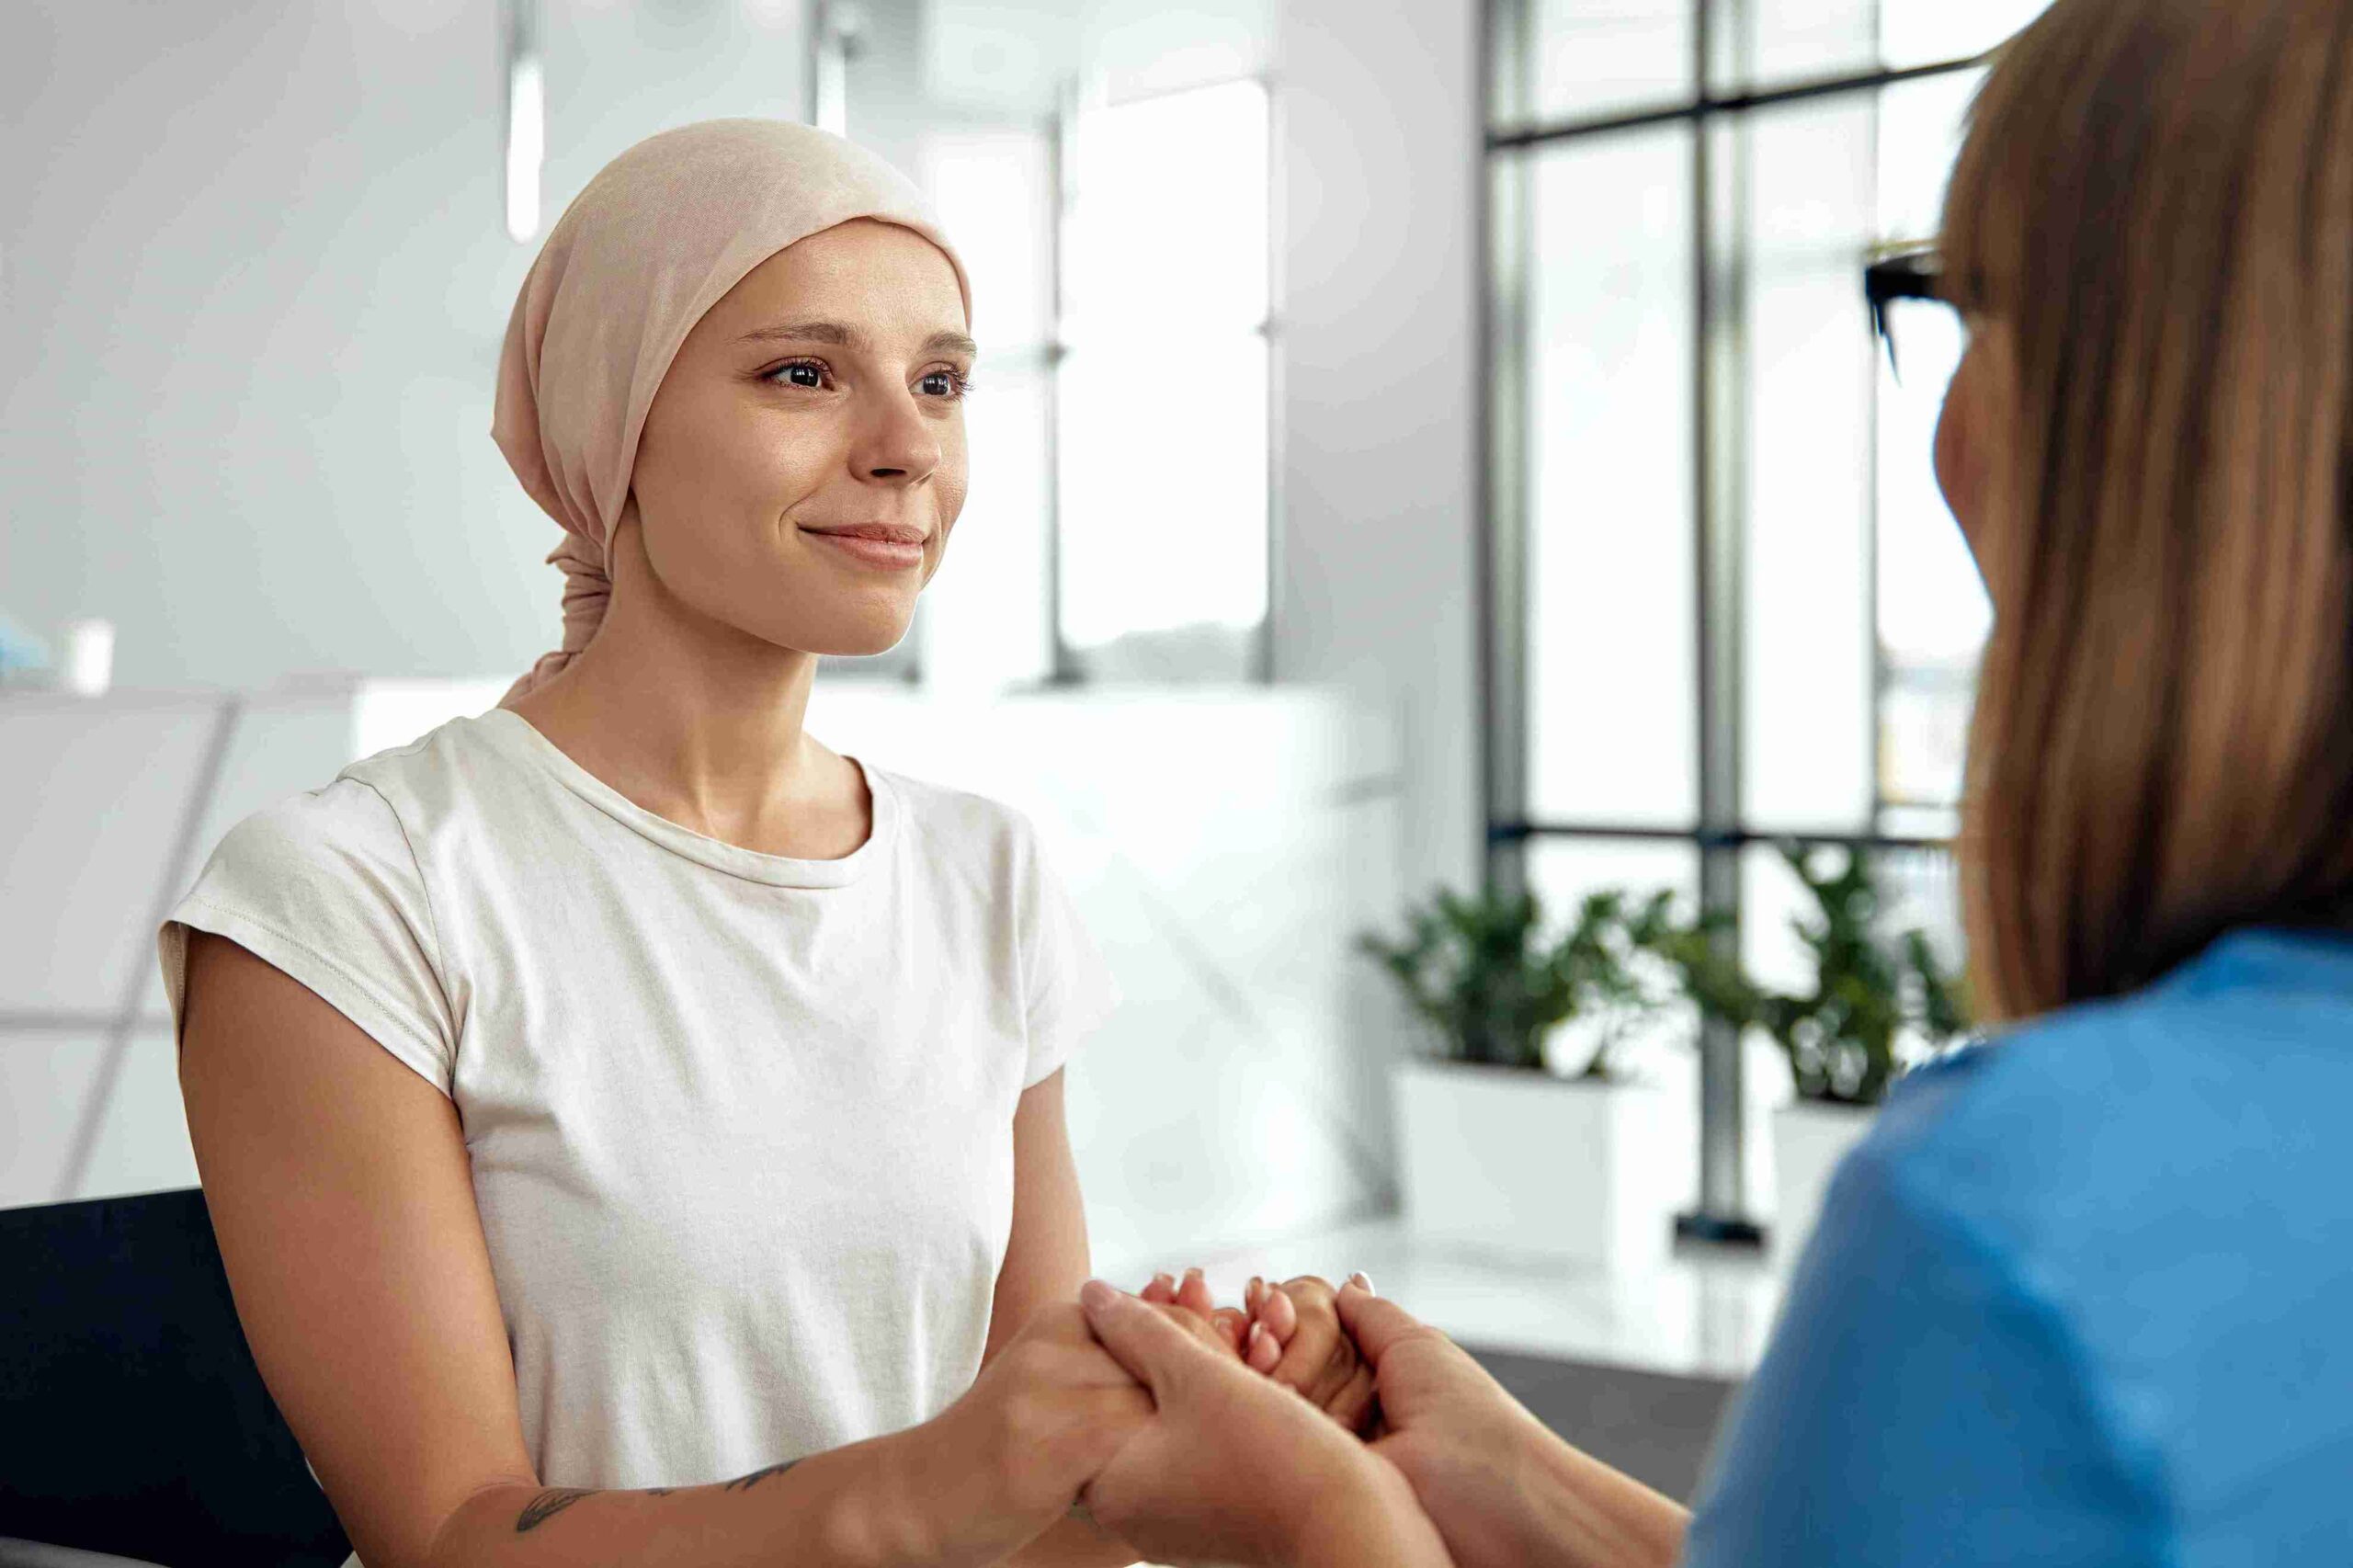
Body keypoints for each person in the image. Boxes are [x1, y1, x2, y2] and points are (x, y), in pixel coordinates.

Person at [1067, 0, 2353, 1562]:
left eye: (1961, 308)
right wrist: (1528, 1489)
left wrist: (1331, 1533)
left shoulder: (2026, 1226)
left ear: (2144, 414)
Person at [163, 119, 1384, 1568]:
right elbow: (450, 1536)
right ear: (614, 420)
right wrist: (935, 1481)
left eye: (940, 381)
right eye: (803, 373)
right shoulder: (348, 899)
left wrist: (1183, 1433)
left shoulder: (981, 877)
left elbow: (1046, 1530)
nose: (906, 447)